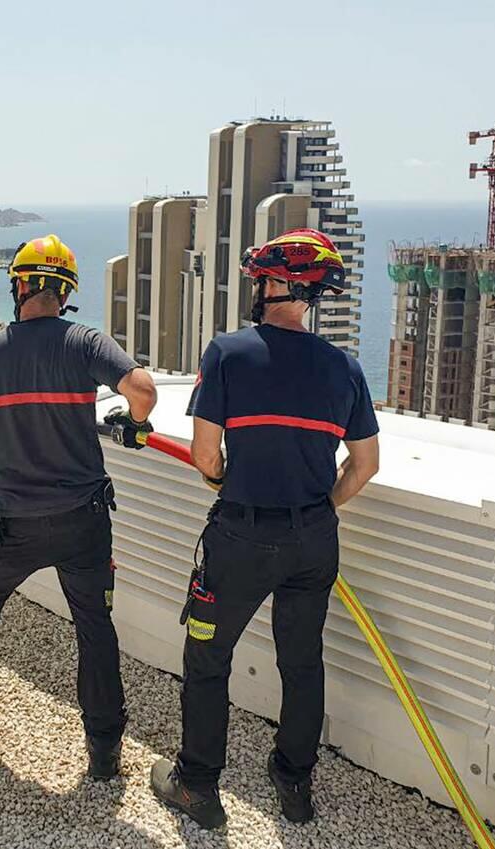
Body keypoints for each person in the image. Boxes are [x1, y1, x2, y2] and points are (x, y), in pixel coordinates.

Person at [149, 229, 380, 828]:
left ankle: (198, 786)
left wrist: (225, 479)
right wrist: (318, 506)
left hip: (242, 538)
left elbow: (206, 457)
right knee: (302, 663)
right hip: (313, 539)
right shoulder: (344, 369)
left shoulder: (228, 353)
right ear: (311, 294)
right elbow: (366, 464)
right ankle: (294, 784)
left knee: (208, 656)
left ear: (272, 285)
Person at [0, 234, 158, 779]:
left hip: (13, 523)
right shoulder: (84, 343)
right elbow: (143, 389)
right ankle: (104, 751)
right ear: (66, 292)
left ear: (20, 286)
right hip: (84, 521)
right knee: (94, 628)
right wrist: (134, 422)